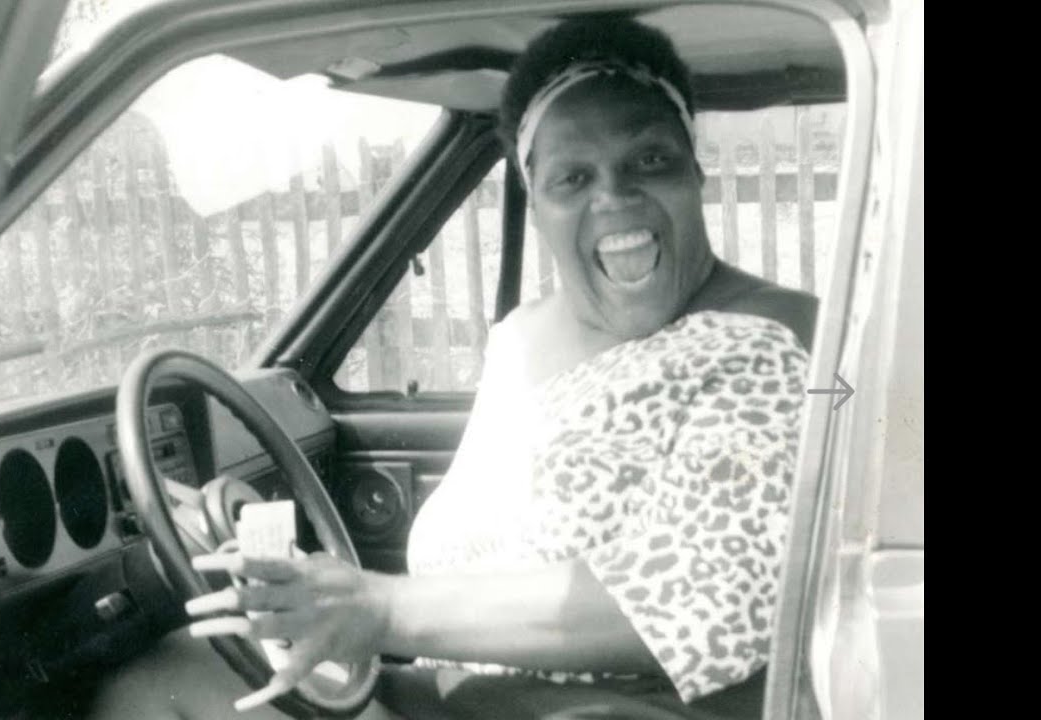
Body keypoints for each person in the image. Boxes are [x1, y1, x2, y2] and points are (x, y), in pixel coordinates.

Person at [89, 14, 815, 720]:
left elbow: (702, 598)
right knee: (176, 672)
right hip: (466, 697)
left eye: (650, 160)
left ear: (696, 172)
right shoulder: (521, 340)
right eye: (571, 177)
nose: (614, 197)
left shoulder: (780, 340)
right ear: (535, 201)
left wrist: (377, 607)